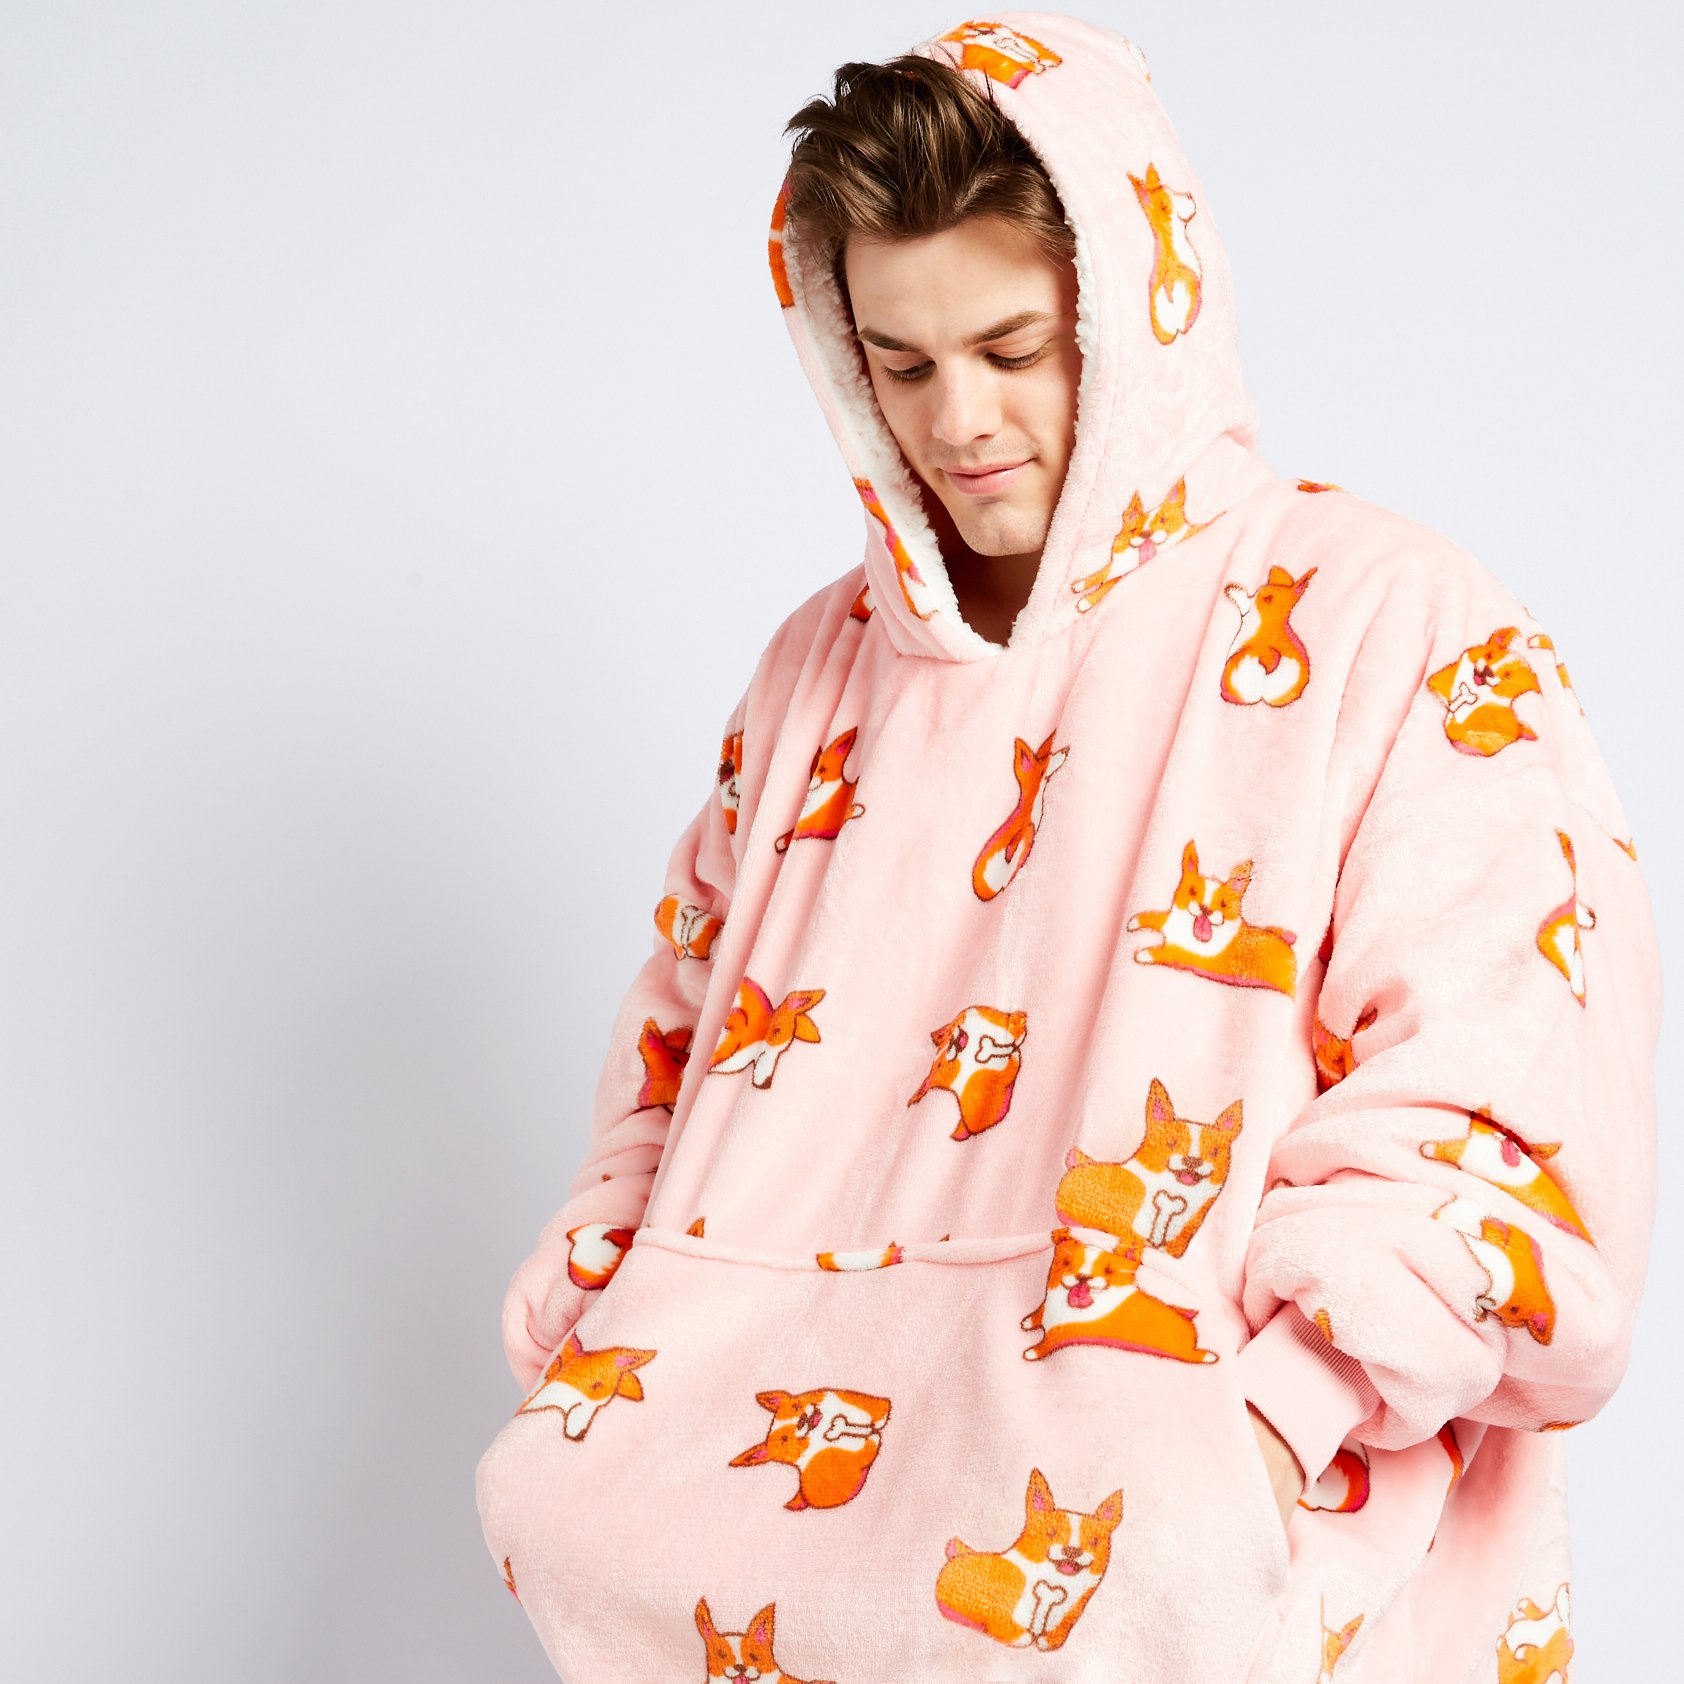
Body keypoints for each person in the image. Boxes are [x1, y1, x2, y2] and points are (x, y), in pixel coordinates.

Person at [475, 14, 1661, 1682]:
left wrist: (1249, 1448)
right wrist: (594, 1391)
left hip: (1224, 1607)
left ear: (1135, 306)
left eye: (1013, 348)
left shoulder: (1392, 620)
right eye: (902, 364)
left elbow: (1498, 1102)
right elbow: (672, 1073)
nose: (958, 420)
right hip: (765, 1598)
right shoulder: (817, 672)